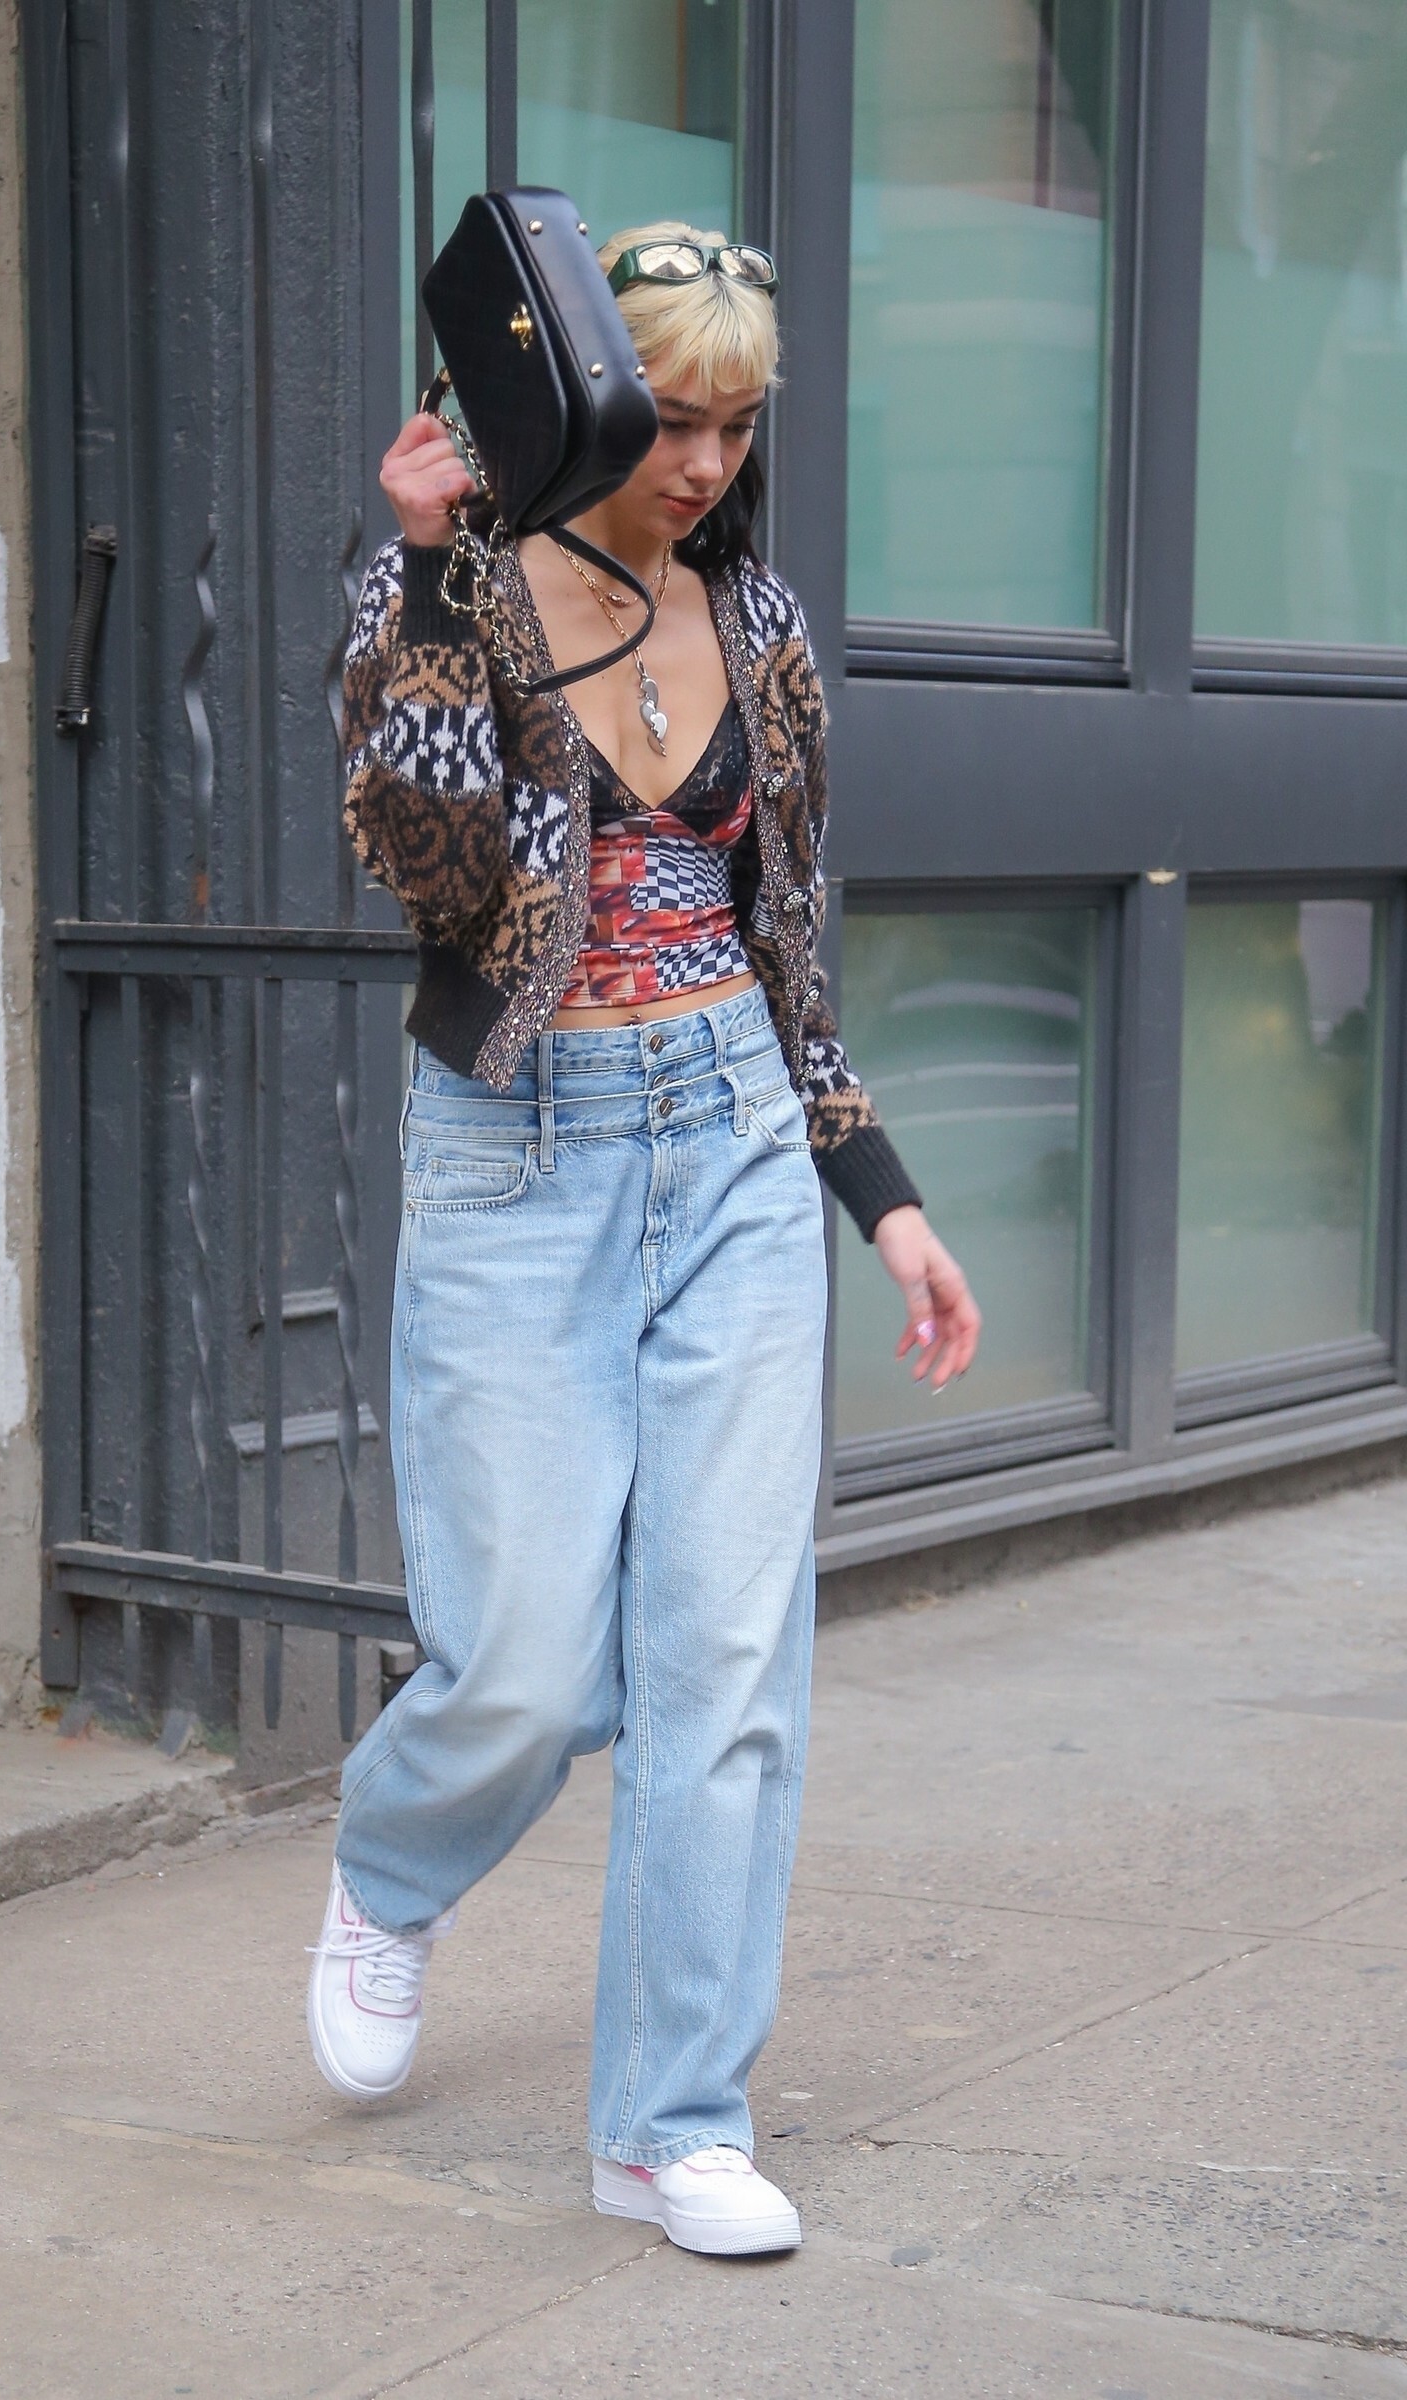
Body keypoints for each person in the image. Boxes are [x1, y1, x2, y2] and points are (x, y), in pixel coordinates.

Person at [307, 221, 980, 2257]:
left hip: (738, 1146)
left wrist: (883, 1199)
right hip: (522, 1158)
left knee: (725, 1663)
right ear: (577, 388)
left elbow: (792, 955)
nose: (702, 461)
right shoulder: (439, 587)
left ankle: (670, 2124)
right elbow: (422, 868)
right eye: (671, 413)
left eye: (735, 422)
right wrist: (436, 565)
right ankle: (389, 1867)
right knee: (522, 1664)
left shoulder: (755, 618)